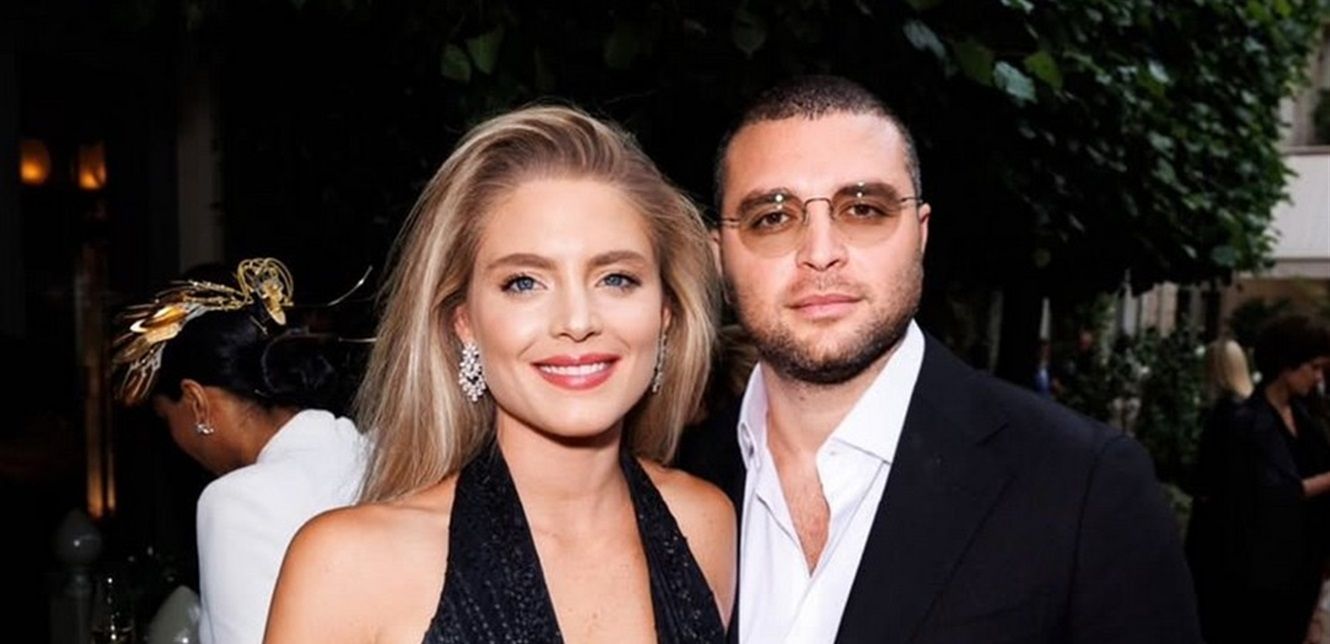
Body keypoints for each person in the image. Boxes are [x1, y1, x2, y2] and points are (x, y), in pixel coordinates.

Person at [676, 75, 1201, 643]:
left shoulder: (1084, 486)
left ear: (919, 234)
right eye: (773, 218)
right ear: (720, 255)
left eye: (863, 209)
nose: (821, 253)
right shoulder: (666, 484)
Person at [264, 105, 734, 643]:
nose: (577, 321)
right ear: (465, 322)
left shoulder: (707, 524)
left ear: (665, 313)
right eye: (524, 283)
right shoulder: (350, 566)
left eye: (617, 278)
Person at [111, 257, 368, 644]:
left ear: (196, 402)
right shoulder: (372, 450)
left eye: (167, 418)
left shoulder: (236, 502)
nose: (173, 437)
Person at [1200, 315, 1330, 643]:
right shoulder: (1245, 424)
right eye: (1313, 367)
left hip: (1299, 578)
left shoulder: (1307, 421)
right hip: (1254, 585)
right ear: (1287, 365)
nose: (1318, 377)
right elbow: (1270, 492)